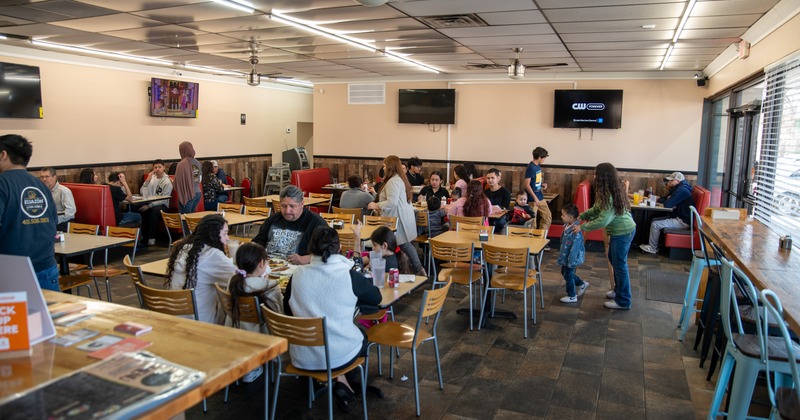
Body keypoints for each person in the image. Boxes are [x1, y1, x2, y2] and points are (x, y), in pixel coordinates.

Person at [282, 226, 381, 411]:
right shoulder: (348, 275)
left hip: (301, 355)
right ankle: (342, 379)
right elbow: (376, 298)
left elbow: (288, 310)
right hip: (338, 356)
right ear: (339, 247)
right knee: (362, 336)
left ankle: (339, 381)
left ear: (311, 249)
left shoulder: (297, 275)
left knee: (330, 336)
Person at [573, 163, 636, 310]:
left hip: (623, 232)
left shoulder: (609, 195)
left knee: (620, 265)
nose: (594, 176)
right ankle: (618, 291)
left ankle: (623, 301)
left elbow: (603, 220)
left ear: (603, 177)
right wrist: (581, 216)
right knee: (614, 260)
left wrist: (582, 226)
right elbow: (596, 209)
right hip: (621, 232)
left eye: (596, 174)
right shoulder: (607, 192)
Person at [0, 134, 59, 291]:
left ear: (3, 154)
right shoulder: (41, 186)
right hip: (46, 266)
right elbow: (53, 222)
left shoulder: (2, 183)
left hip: (11, 270)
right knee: (47, 308)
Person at [166, 214, 236, 324]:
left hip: (172, 319)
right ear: (214, 234)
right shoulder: (213, 255)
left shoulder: (184, 248)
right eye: (225, 233)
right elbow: (240, 277)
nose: (228, 238)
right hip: (199, 323)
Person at [367, 155, 425, 275]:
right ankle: (408, 269)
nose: (383, 168)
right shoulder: (399, 179)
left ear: (390, 166)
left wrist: (376, 205)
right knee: (402, 245)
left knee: (403, 245)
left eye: (384, 165)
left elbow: (392, 202)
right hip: (400, 216)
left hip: (397, 218)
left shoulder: (393, 181)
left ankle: (417, 269)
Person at [253, 185, 326, 265]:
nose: (287, 211)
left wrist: (303, 259)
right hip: (268, 266)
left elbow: (328, 253)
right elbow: (258, 242)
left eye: (292, 206)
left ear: (302, 204)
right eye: (284, 206)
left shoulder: (316, 223)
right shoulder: (273, 219)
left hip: (299, 268)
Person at [229, 242, 283, 332]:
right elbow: (280, 313)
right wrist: (265, 281)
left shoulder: (232, 281)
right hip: (263, 334)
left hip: (234, 329)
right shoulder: (270, 285)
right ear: (261, 263)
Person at [639, 171, 693, 254]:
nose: (669, 182)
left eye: (671, 180)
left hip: (683, 221)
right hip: (679, 216)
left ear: (677, 181)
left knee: (655, 224)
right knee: (653, 218)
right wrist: (663, 198)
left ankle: (653, 248)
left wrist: (661, 199)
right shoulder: (678, 188)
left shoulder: (682, 190)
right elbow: (667, 199)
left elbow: (668, 204)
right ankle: (654, 245)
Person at [138, 159, 172, 246]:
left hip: (163, 205)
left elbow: (164, 199)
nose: (157, 169)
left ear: (164, 168)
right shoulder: (151, 178)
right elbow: (142, 192)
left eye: (159, 167)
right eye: (155, 167)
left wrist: (149, 206)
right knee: (138, 208)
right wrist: (147, 181)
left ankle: (151, 237)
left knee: (153, 211)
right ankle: (141, 237)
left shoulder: (167, 181)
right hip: (150, 203)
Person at [558, 204, 588, 303]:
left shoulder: (575, 231)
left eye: (563, 215)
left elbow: (575, 248)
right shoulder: (567, 226)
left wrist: (571, 261)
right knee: (565, 273)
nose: (561, 216)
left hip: (572, 258)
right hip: (566, 256)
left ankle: (572, 296)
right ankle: (581, 284)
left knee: (569, 275)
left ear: (571, 218)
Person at [524, 147, 552, 232]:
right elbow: (527, 184)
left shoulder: (537, 166)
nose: (544, 160)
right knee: (532, 222)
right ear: (539, 157)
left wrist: (541, 184)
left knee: (547, 217)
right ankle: (532, 238)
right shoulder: (531, 168)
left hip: (539, 196)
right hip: (532, 198)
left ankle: (541, 236)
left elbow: (534, 182)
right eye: (544, 158)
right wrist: (535, 198)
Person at [39, 167, 75, 231]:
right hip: (45, 222)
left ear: (54, 177)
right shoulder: (40, 191)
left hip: (61, 223)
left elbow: (70, 212)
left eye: (47, 176)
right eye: (42, 177)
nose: (44, 179)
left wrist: (53, 221)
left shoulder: (64, 191)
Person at [175, 141, 201, 213]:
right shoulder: (197, 162)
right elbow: (199, 178)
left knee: (184, 218)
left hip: (187, 194)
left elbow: (178, 181)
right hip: (198, 192)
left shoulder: (181, 164)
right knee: (191, 217)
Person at [483, 168, 511, 233]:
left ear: (498, 178)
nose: (490, 180)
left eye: (492, 178)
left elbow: (504, 208)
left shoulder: (505, 192)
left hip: (501, 218)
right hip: (488, 217)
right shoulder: (485, 192)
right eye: (488, 178)